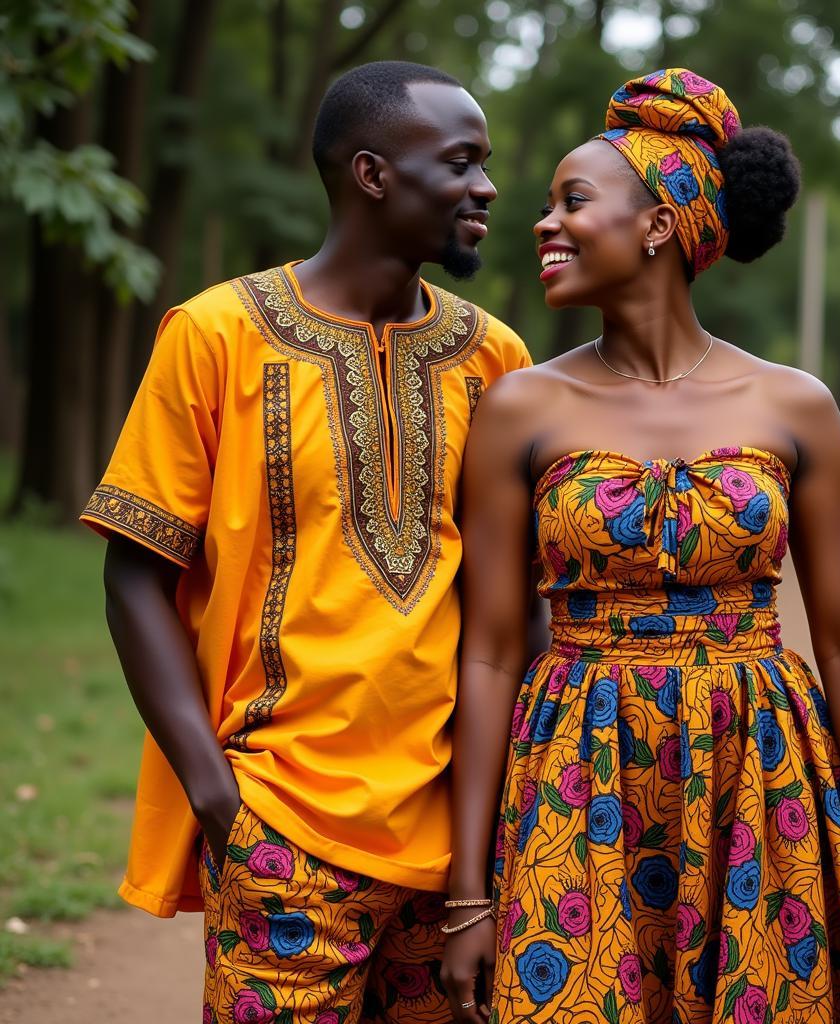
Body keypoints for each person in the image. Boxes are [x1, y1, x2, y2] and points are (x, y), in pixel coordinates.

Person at [441, 70, 840, 1023]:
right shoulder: (521, 407)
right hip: (579, 776)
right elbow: (485, 653)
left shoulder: (792, 405)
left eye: (573, 201)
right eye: (546, 205)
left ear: (658, 225)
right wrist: (468, 895)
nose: (543, 224)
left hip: (761, 773)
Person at [81, 61, 531, 1024]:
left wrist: (507, 823)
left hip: (457, 841)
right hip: (280, 821)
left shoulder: (495, 357)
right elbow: (134, 574)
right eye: (460, 162)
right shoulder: (216, 335)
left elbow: (514, 602)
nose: (487, 187)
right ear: (372, 174)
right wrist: (220, 802)